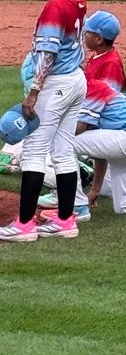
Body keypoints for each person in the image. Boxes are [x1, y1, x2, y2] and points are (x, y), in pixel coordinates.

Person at [0, 0, 88, 242]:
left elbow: (47, 54)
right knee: (63, 150)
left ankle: (23, 225)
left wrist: (34, 91)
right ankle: (66, 220)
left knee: (34, 150)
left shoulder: (55, 7)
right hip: (75, 81)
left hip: (56, 84)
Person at [37, 11, 122, 212]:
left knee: (61, 142)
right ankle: (81, 188)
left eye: (88, 32)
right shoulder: (97, 59)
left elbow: (94, 120)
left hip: (116, 134)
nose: (83, 34)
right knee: (119, 202)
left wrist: (96, 188)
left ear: (99, 39)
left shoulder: (110, 66)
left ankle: (75, 200)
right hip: (114, 134)